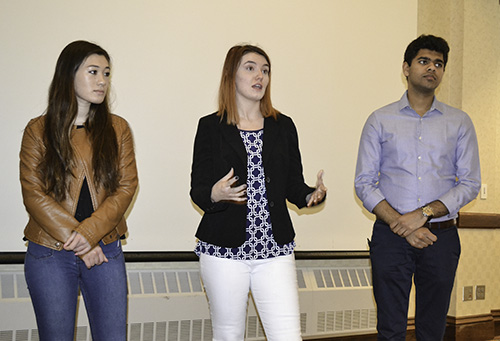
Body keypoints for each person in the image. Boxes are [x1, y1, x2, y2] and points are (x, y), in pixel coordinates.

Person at [190, 44, 327, 341]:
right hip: (224, 251)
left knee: (288, 336)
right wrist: (215, 193)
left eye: (265, 70)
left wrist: (310, 194)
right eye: (250, 68)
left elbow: (292, 185)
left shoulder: (284, 126)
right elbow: (198, 190)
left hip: (274, 251)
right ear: (231, 75)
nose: (260, 76)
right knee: (229, 335)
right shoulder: (210, 127)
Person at [354, 35, 481, 340]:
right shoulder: (379, 120)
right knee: (390, 327)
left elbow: (470, 182)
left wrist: (423, 214)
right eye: (424, 61)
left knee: (432, 328)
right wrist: (405, 225)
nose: (432, 68)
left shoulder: (460, 122)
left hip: (442, 237)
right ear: (406, 68)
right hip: (390, 237)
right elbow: (364, 182)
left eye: (438, 63)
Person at [20, 40, 138, 341]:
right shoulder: (38, 130)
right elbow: (34, 194)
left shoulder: (118, 128)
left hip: (106, 248)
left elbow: (126, 187)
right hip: (49, 251)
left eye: (107, 73)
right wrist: (83, 240)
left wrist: (88, 236)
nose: (102, 81)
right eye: (93, 71)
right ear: (68, 74)